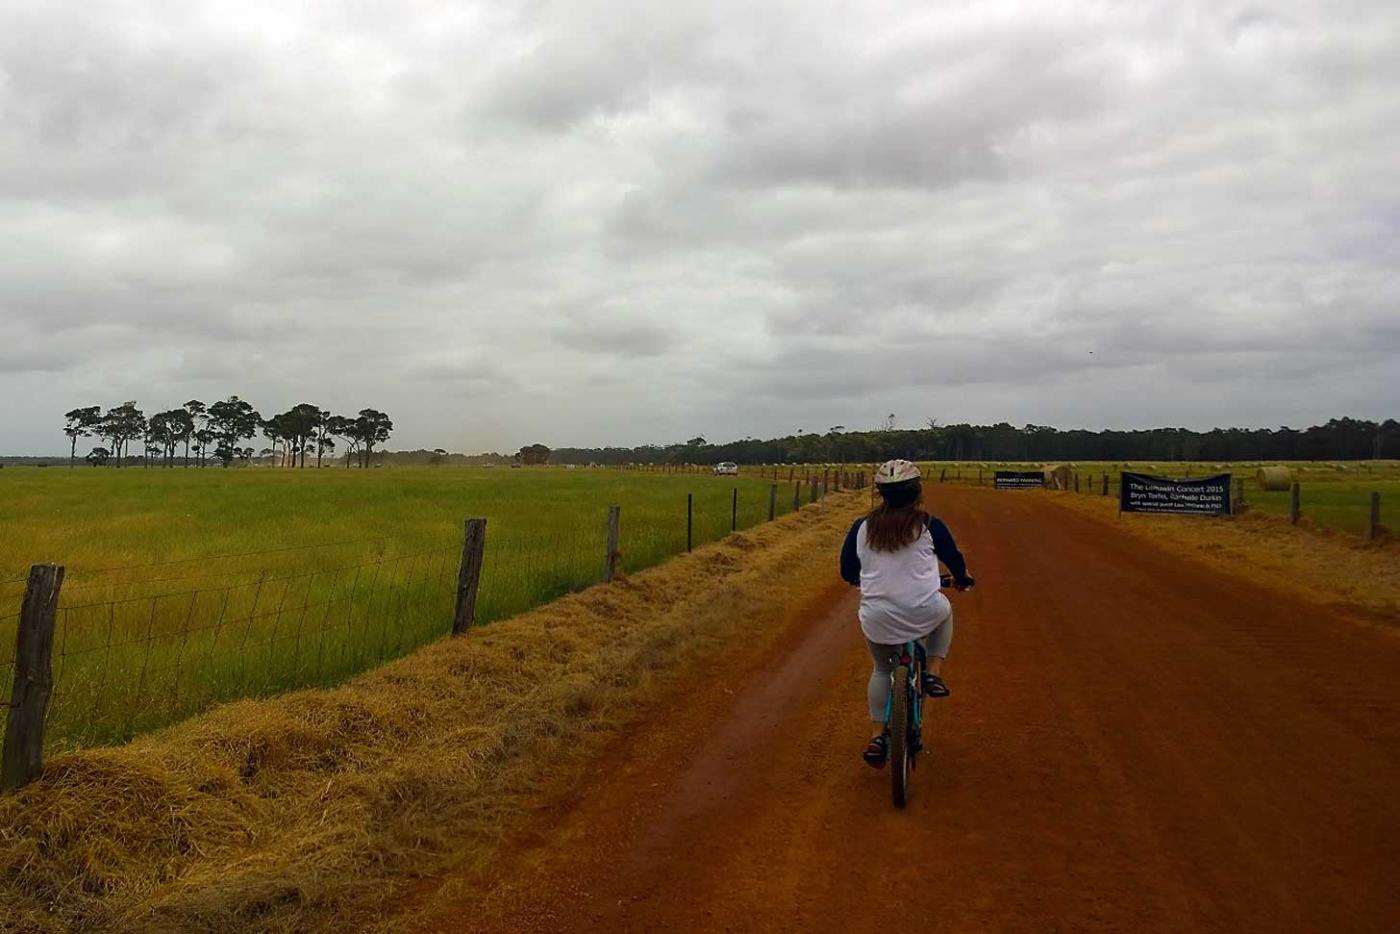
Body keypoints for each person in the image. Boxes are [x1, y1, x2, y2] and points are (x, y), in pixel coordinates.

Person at [839, 459, 974, 767]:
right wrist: (962, 579)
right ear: (917, 491)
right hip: (923, 609)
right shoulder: (928, 525)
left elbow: (848, 570)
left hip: (877, 617)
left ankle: (877, 736)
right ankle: (932, 674)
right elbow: (954, 560)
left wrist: (863, 580)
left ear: (881, 493)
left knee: (882, 670)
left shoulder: (862, 527)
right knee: (946, 610)